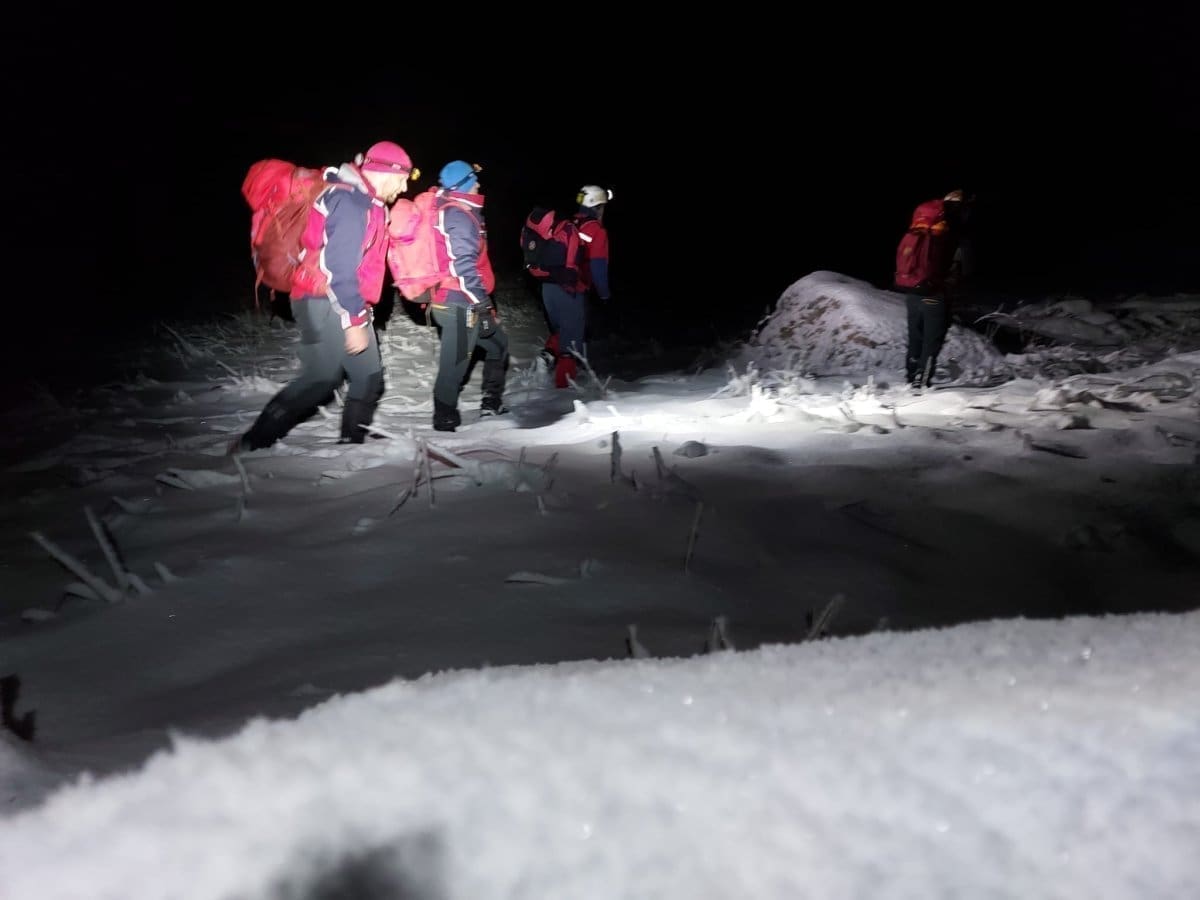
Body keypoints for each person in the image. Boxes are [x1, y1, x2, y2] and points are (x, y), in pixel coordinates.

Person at [231, 141, 418, 452]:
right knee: (321, 378)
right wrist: (355, 320)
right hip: (320, 300)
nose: (402, 187)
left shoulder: (368, 202)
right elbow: (338, 269)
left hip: (344, 302)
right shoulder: (349, 201)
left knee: (369, 377)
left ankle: (350, 447)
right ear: (385, 172)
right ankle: (254, 441)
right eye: (401, 179)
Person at [428, 160, 509, 432]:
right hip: (459, 303)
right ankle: (444, 420)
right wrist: (483, 305)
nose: (478, 183)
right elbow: (463, 267)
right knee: (455, 364)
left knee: (498, 345)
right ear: (463, 184)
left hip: (461, 300)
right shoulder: (459, 215)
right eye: (474, 179)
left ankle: (490, 402)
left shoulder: (462, 210)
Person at [893, 189, 970, 389]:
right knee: (931, 342)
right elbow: (961, 268)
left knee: (915, 337)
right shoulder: (954, 233)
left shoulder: (923, 227)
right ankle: (922, 381)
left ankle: (911, 379)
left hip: (912, 290)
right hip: (935, 294)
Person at [541, 184, 612, 388]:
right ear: (596, 206)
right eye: (602, 206)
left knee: (563, 330)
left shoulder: (567, 223)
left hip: (549, 288)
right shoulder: (596, 230)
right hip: (571, 290)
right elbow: (598, 267)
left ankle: (545, 359)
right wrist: (604, 294)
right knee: (571, 346)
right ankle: (563, 397)